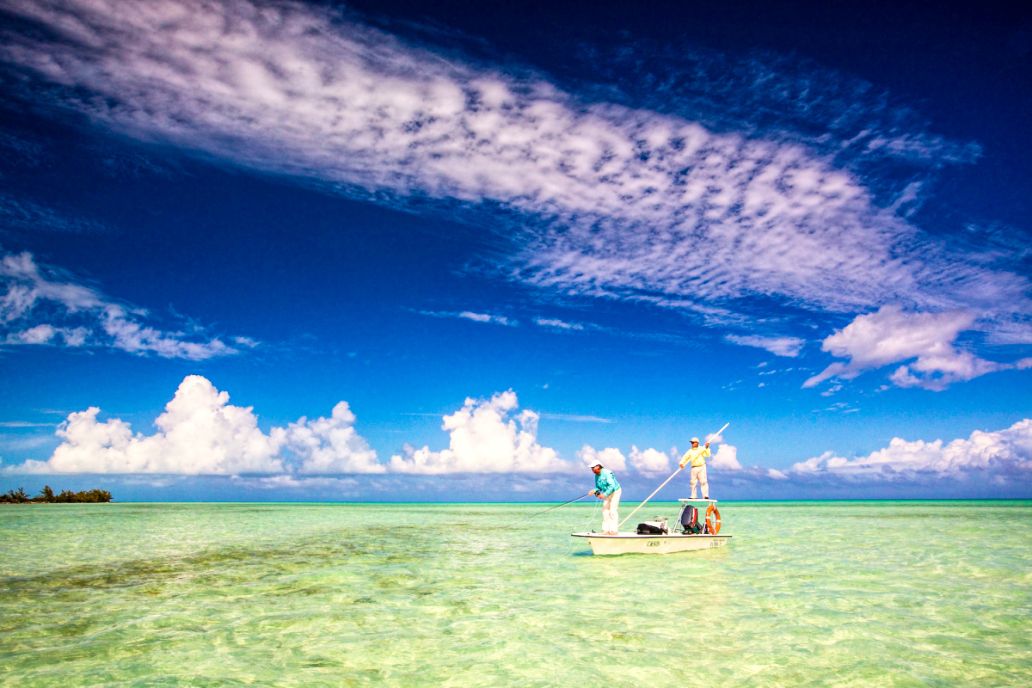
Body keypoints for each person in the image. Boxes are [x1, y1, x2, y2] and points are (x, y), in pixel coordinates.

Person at [587, 460, 622, 535]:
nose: (592, 469)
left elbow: (612, 486)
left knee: (612, 510)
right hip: (607, 492)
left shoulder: (607, 473)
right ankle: (605, 530)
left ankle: (613, 530)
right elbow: (598, 487)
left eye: (593, 467)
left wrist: (604, 494)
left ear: (598, 466)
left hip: (615, 491)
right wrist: (593, 491)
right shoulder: (596, 475)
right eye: (591, 468)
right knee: (605, 510)